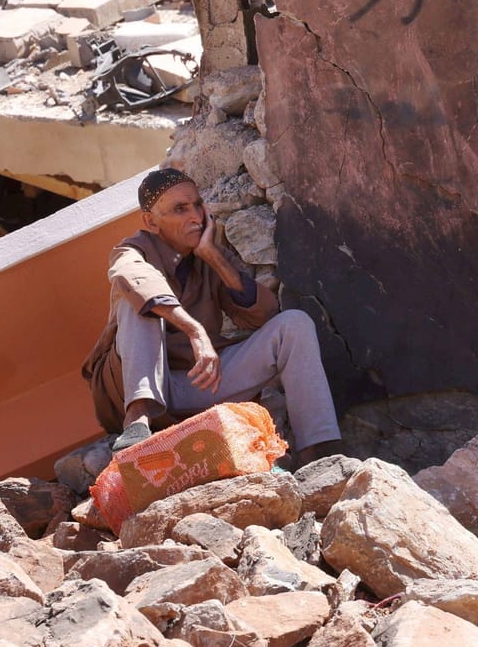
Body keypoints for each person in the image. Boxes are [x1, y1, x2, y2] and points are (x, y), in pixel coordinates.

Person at [81, 167, 346, 461]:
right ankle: (138, 418)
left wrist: (212, 255)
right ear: (151, 222)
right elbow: (137, 281)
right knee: (138, 306)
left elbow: (265, 314)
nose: (195, 216)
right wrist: (196, 332)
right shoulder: (130, 251)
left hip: (198, 383)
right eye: (180, 209)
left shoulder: (209, 255)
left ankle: (318, 449)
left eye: (197, 205)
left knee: (294, 324)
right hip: (138, 387)